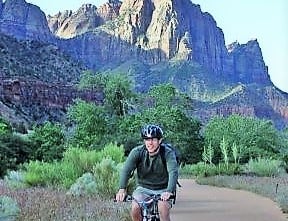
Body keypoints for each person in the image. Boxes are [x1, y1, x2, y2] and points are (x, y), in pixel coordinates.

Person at [115, 124, 178, 221]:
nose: (150, 143)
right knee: (135, 208)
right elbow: (126, 170)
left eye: (153, 139)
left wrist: (169, 191)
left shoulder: (167, 153)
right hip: (143, 188)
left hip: (163, 189)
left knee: (163, 208)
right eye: (147, 140)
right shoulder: (137, 152)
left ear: (160, 140)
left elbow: (173, 172)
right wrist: (122, 189)